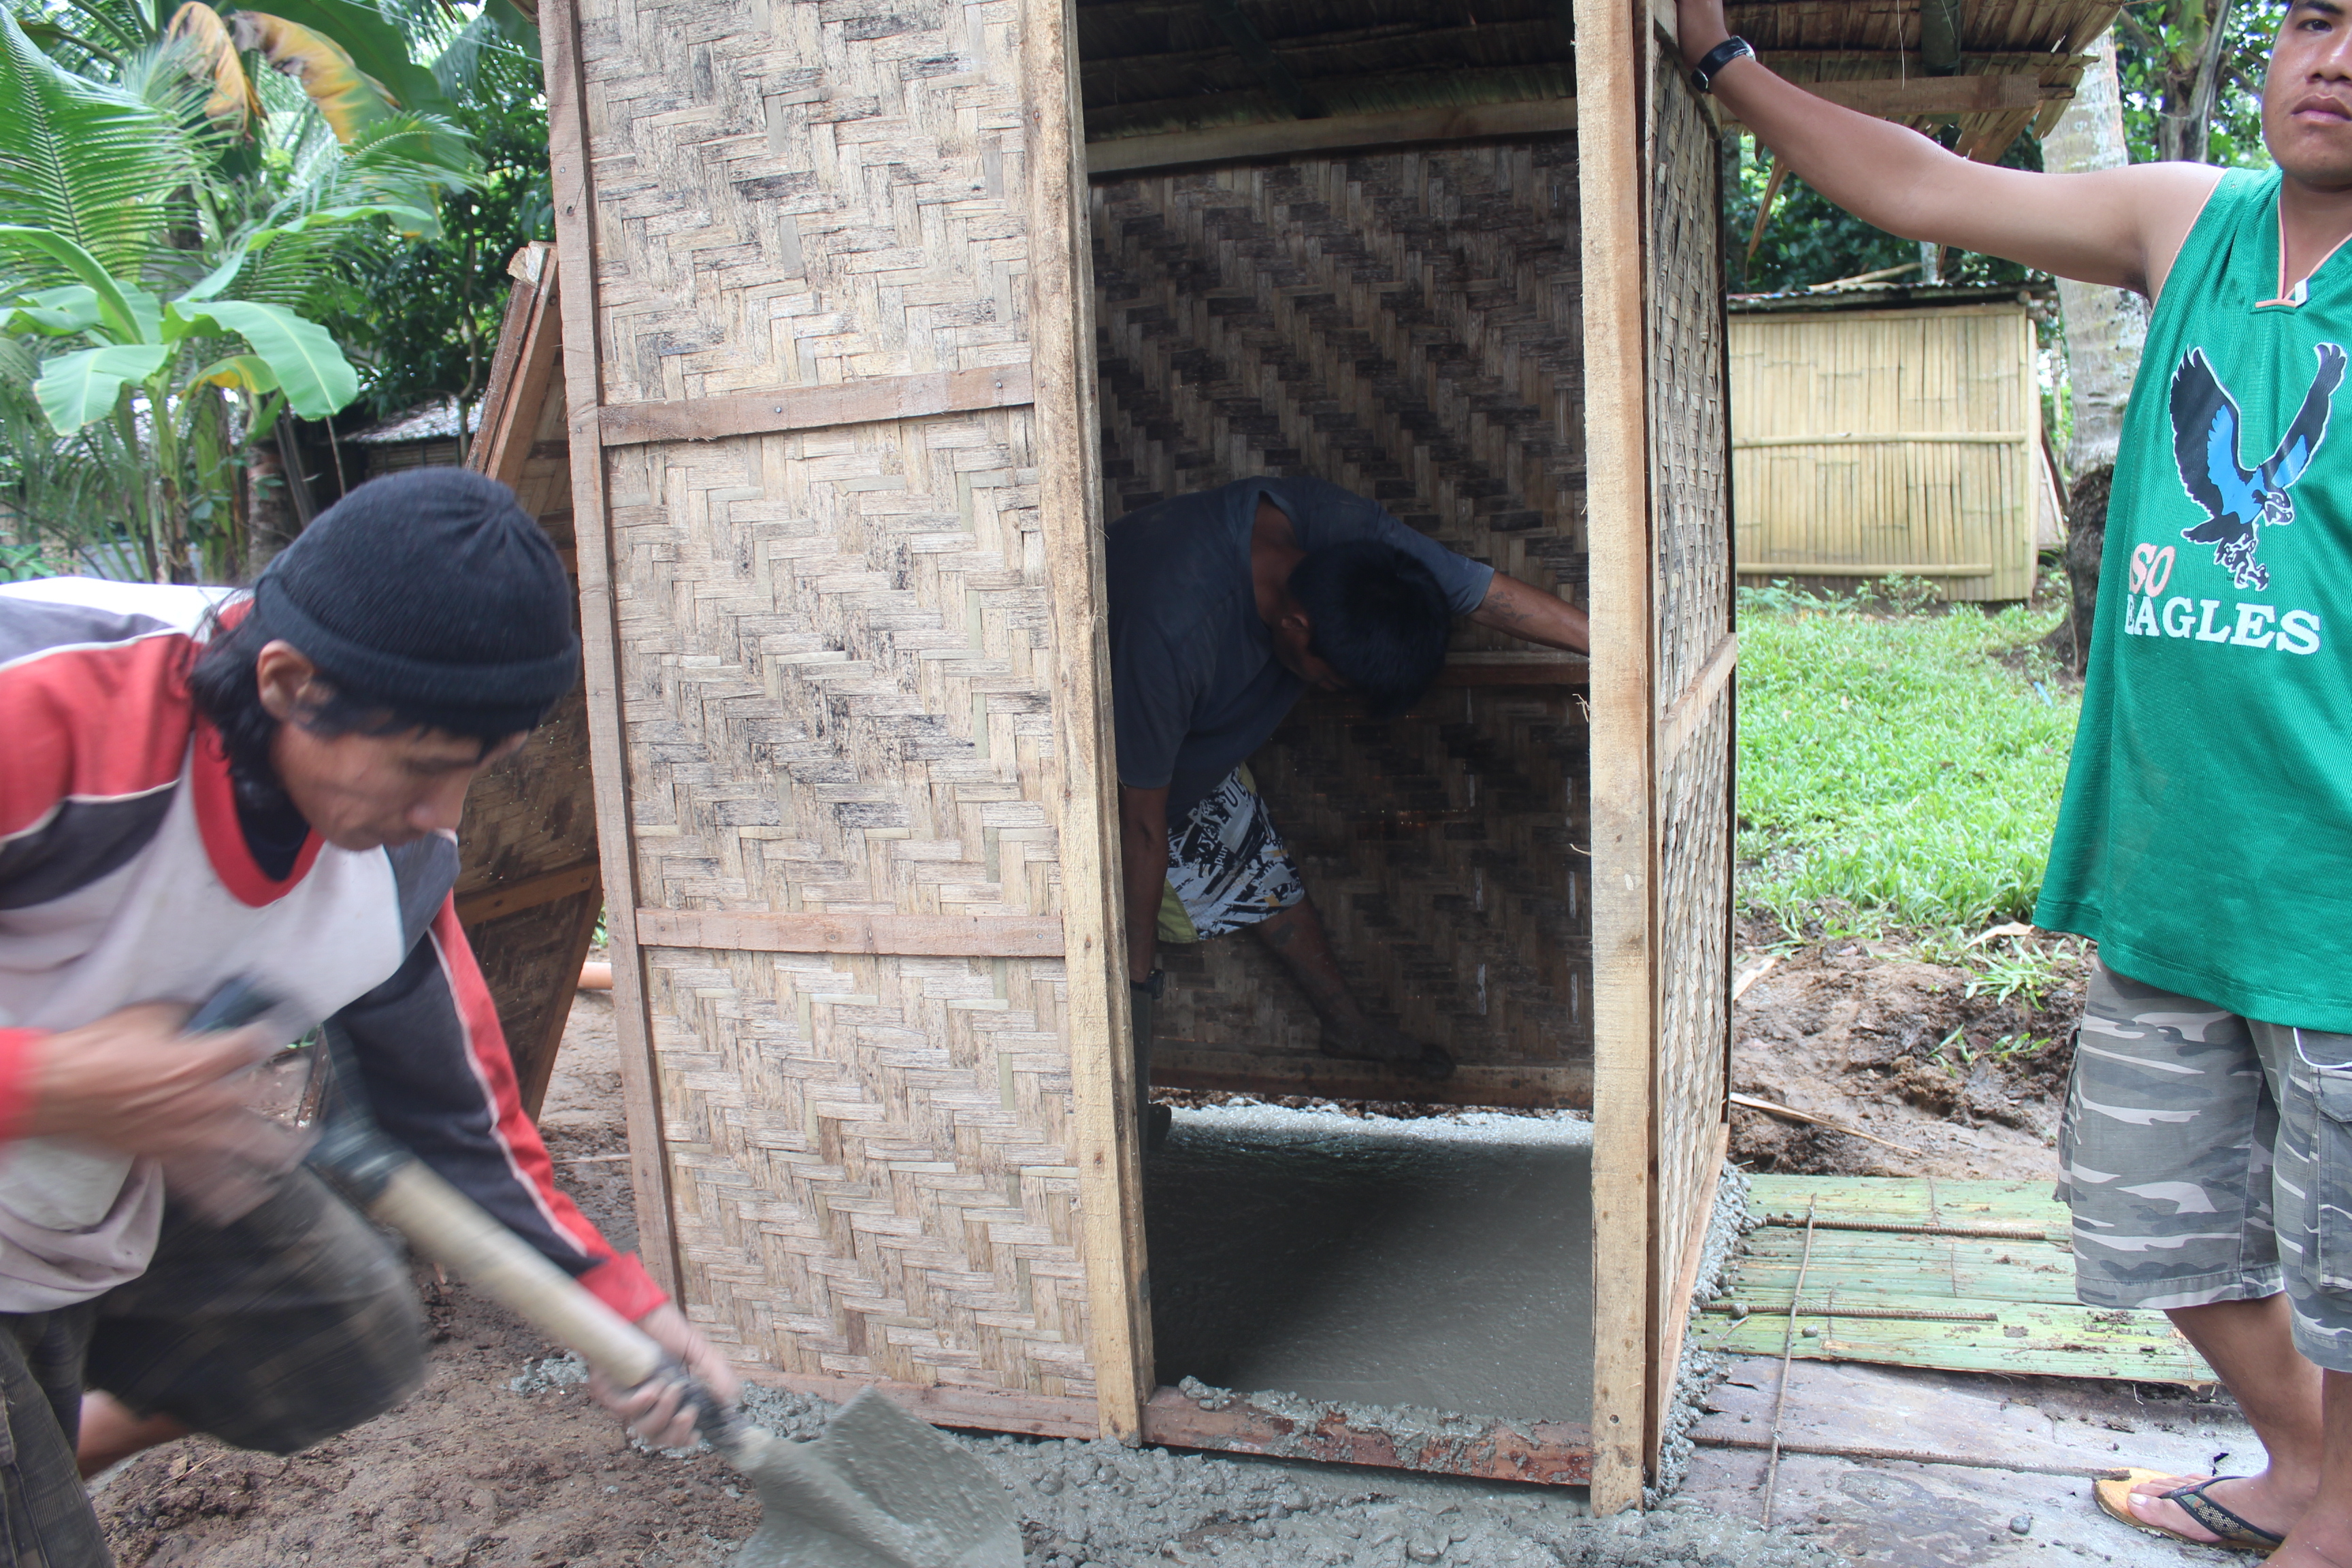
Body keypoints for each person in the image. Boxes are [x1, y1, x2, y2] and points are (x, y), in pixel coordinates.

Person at [1676, 0, 2352, 1555]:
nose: (2334, 55)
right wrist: (1726, 70)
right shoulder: (2187, 223)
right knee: (2148, 1213)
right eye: (2313, 15)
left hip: (2337, 903)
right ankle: (2303, 1476)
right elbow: (1919, 187)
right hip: (2175, 878)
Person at [0, 468, 738, 1560]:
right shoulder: (51, 706)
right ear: (291, 684)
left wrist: (616, 1298)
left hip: (85, 1195)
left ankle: (56, 1445)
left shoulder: (395, 863)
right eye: (422, 769)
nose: (442, 820)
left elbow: (458, 1117)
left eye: (478, 772)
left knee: (342, 1332)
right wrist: (53, 1083)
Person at [1108, 476, 1589, 1145]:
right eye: (1330, 681)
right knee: (1112, 922)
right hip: (1098, 767)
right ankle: (1116, 1096)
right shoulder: (1173, 625)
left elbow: (1484, 593)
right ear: (1296, 625)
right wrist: (1134, 988)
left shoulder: (1344, 537)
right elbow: (1139, 823)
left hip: (1195, 757)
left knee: (1259, 868)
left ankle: (1347, 1024)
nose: (1331, 694)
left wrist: (1622, 655)